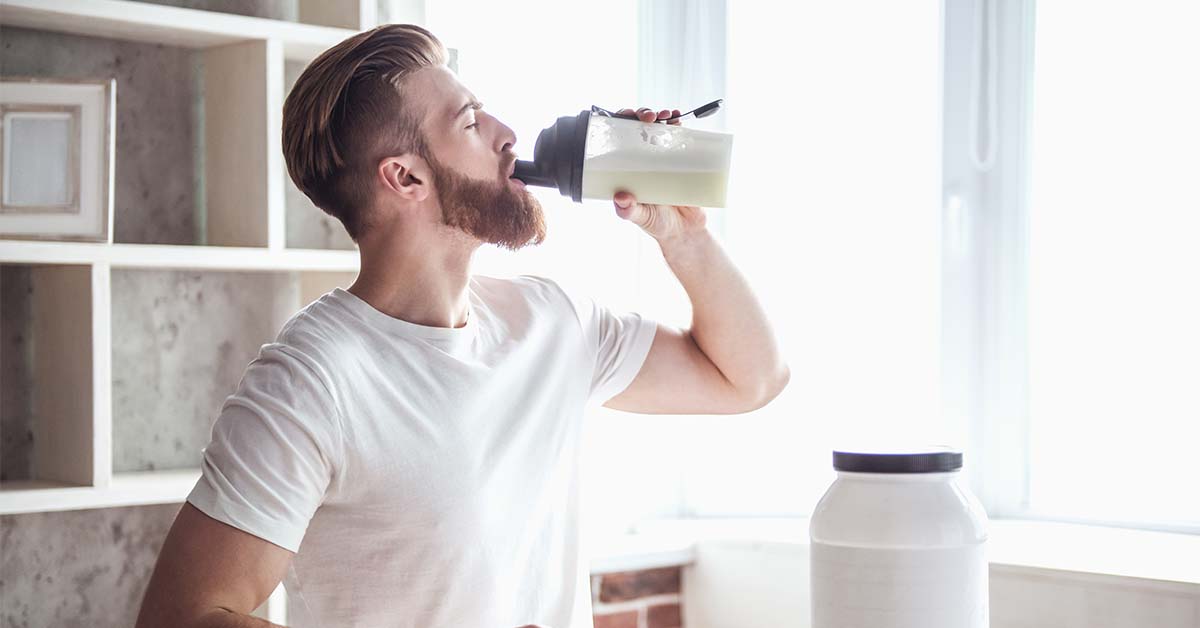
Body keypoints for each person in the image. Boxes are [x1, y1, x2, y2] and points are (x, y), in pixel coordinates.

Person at [134, 23, 787, 628]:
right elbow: (182, 616)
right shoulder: (310, 383)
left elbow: (750, 381)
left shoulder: (553, 322)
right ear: (407, 176)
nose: (507, 134)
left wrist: (683, 237)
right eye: (471, 122)